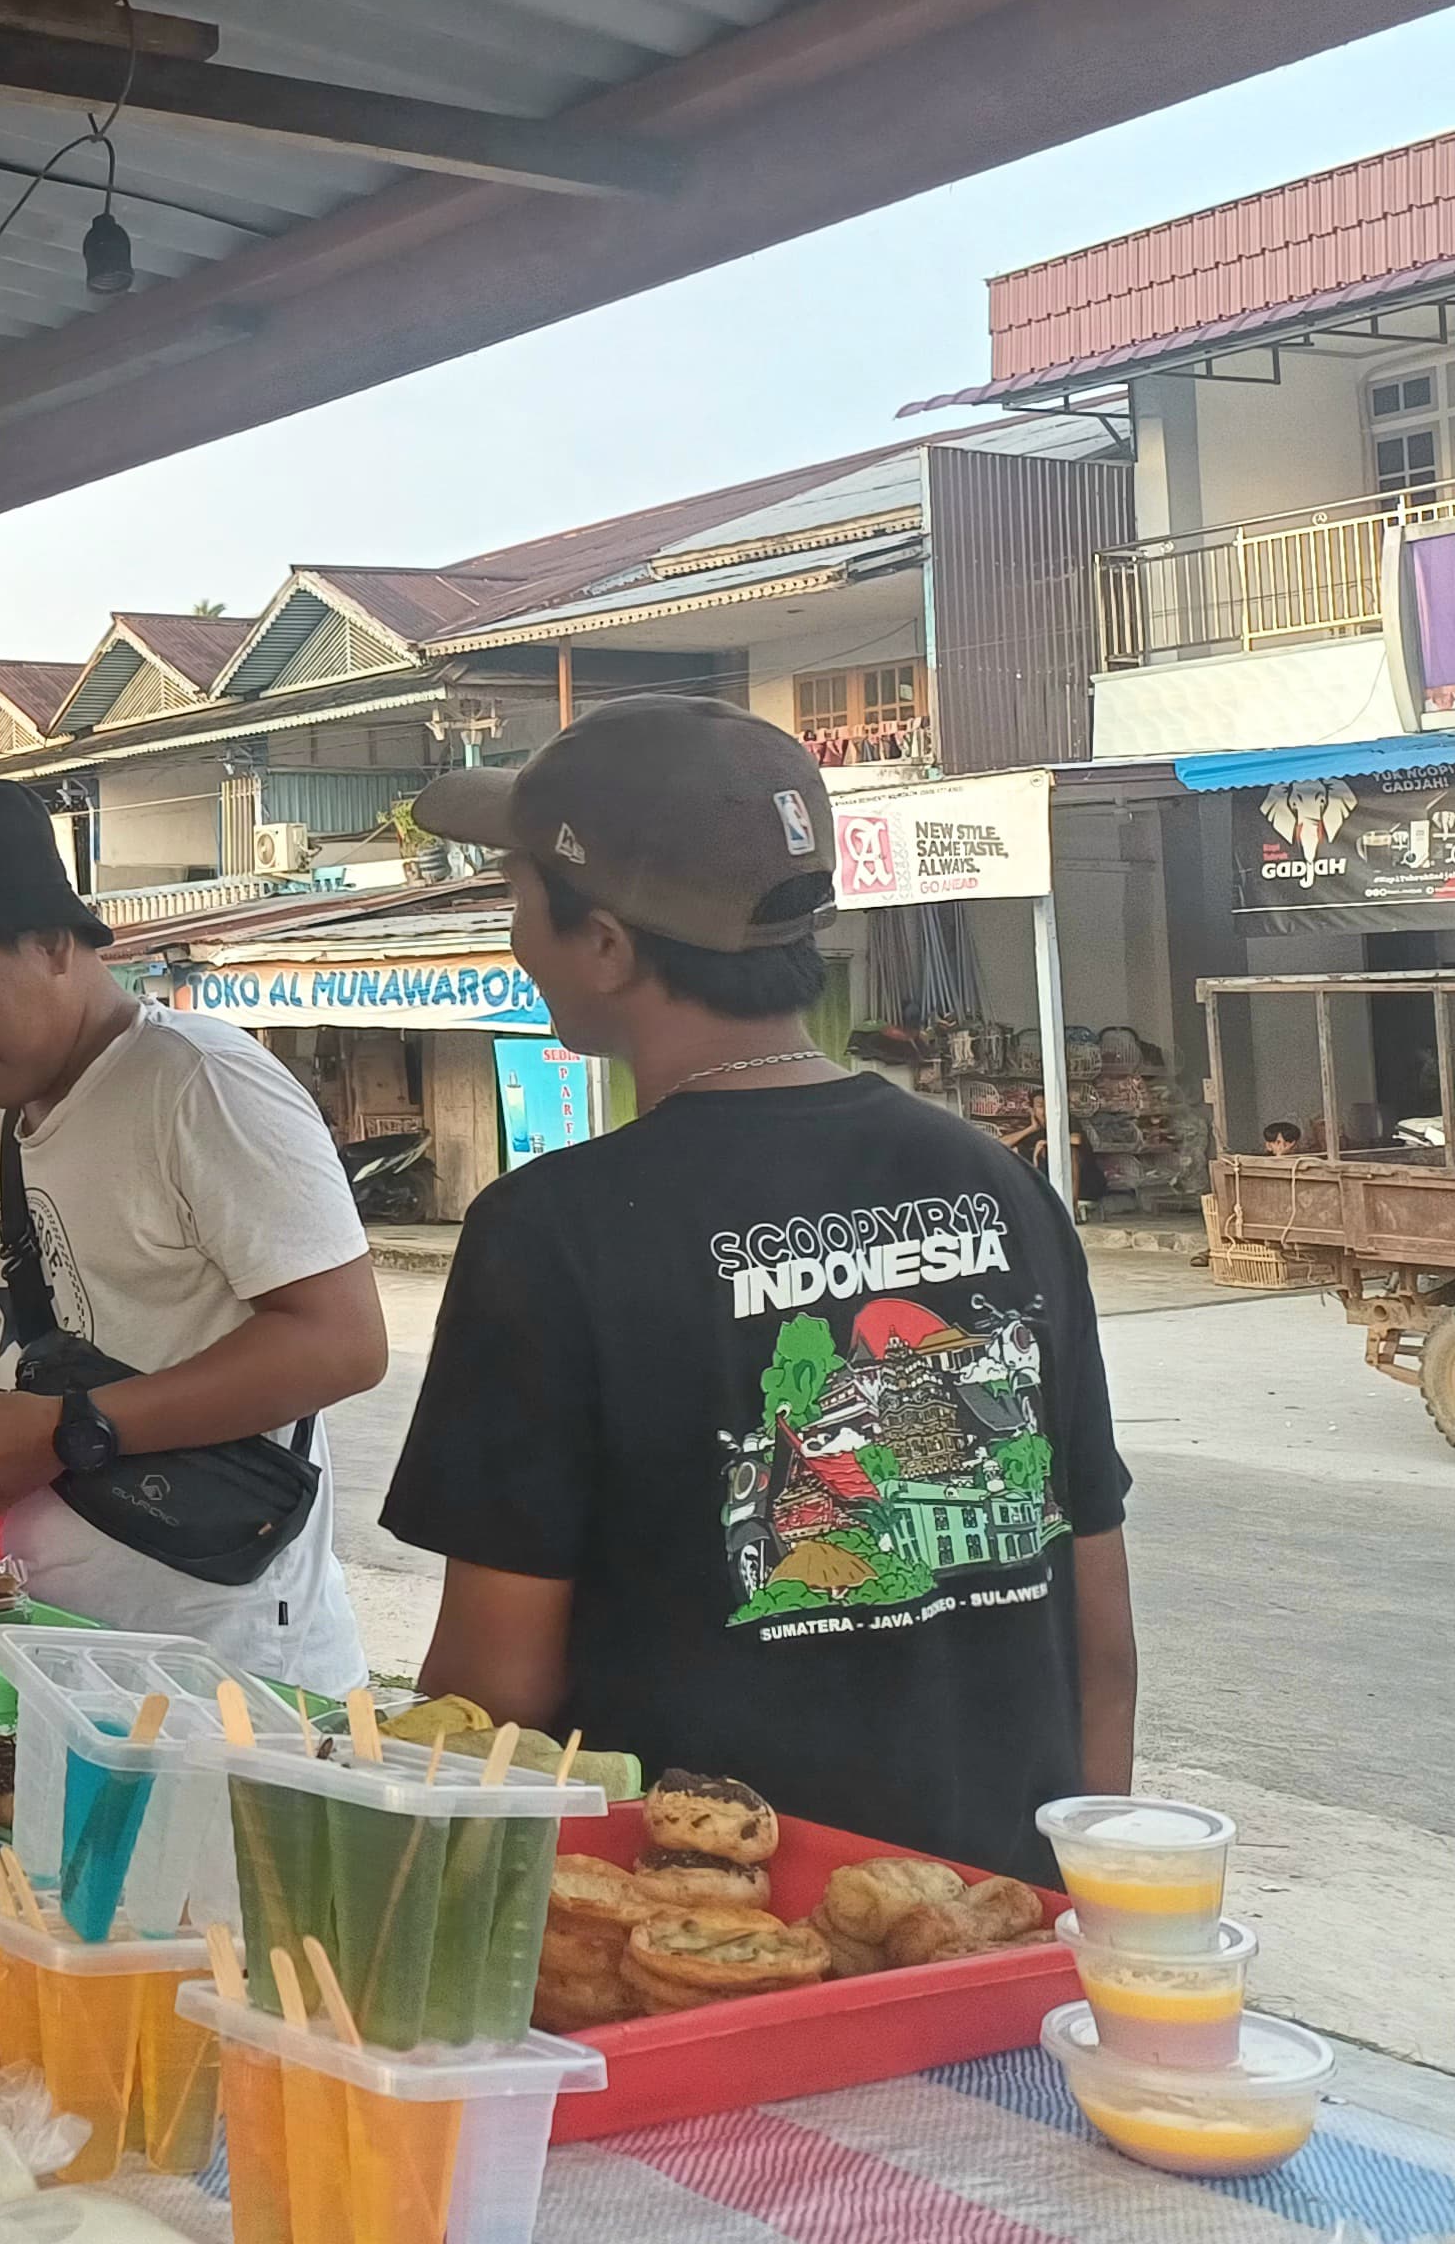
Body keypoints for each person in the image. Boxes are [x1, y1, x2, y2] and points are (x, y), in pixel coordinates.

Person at [384, 696, 1135, 1883]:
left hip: (705, 1934)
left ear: (607, 943)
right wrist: (1076, 1910)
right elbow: (1096, 1623)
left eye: (518, 896)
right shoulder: (995, 1183)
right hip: (989, 1918)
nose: (512, 933)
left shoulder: (550, 1233)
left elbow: (494, 1696)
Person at [0, 780, 389, 1693]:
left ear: (50, 942)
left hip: (218, 1662)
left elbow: (341, 1343)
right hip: (38, 1644)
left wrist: (73, 1431)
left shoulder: (200, 1086)